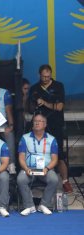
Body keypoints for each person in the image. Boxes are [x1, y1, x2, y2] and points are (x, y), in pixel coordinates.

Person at [28, 64, 73, 193]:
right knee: (37, 152)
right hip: (40, 126)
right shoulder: (35, 88)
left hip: (56, 124)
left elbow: (59, 107)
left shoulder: (59, 86)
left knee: (59, 154)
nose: (46, 79)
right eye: (43, 76)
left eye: (48, 76)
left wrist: (45, 103)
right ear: (39, 75)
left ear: (51, 75)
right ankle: (37, 179)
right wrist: (32, 102)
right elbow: (31, 109)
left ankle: (65, 181)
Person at [17, 114, 58, 215]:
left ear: (45, 124)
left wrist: (47, 168)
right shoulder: (25, 138)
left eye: (40, 121)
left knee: (54, 179)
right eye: (35, 121)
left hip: (45, 169)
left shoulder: (52, 139)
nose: (37, 123)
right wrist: (26, 169)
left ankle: (43, 205)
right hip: (29, 168)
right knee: (20, 179)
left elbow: (54, 159)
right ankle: (29, 206)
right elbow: (21, 158)